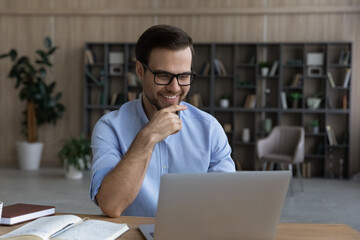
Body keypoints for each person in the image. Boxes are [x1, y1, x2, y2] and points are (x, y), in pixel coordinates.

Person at [90, 24, 235, 218]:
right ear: (140, 70)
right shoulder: (109, 128)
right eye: (163, 75)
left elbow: (227, 204)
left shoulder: (209, 129)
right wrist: (148, 137)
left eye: (183, 76)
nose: (175, 88)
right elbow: (111, 205)